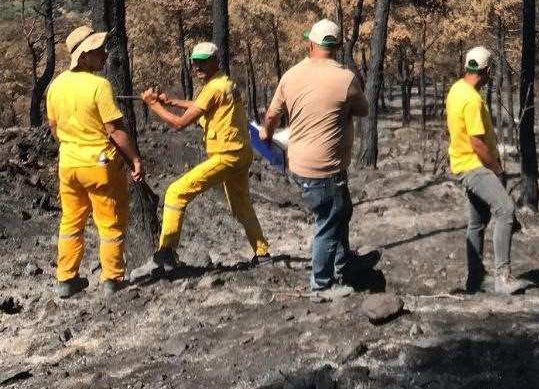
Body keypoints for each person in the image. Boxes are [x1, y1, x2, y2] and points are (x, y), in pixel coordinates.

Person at [261, 19, 374, 300]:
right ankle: (322, 285)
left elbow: (272, 116)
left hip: (300, 164)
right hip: (326, 169)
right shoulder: (345, 78)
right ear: (337, 47)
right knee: (328, 222)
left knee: (341, 211)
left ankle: (343, 262)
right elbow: (363, 110)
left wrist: (266, 133)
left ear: (310, 44)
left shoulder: (291, 75)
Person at [142, 42, 269, 269]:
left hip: (226, 155)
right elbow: (204, 105)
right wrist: (172, 102)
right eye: (195, 61)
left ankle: (166, 252)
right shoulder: (223, 83)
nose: (198, 66)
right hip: (241, 153)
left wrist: (154, 106)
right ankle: (262, 253)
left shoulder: (213, 88)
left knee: (175, 193)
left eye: (203, 61)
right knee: (242, 207)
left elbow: (180, 124)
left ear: (216, 61)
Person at [45, 26, 144, 298]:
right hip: (100, 165)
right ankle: (112, 279)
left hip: (68, 165)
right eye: (98, 50)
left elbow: (54, 128)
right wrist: (134, 159)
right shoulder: (99, 86)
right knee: (111, 222)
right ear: (84, 56)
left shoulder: (56, 86)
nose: (103, 53)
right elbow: (115, 130)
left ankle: (66, 279)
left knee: (71, 222)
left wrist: (71, 146)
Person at [446, 46, 528, 296]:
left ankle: (475, 279)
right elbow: (477, 143)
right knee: (506, 211)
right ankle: (502, 277)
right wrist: (497, 167)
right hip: (474, 166)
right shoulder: (471, 99)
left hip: (462, 163)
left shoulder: (457, 89)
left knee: (478, 221)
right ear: (488, 71)